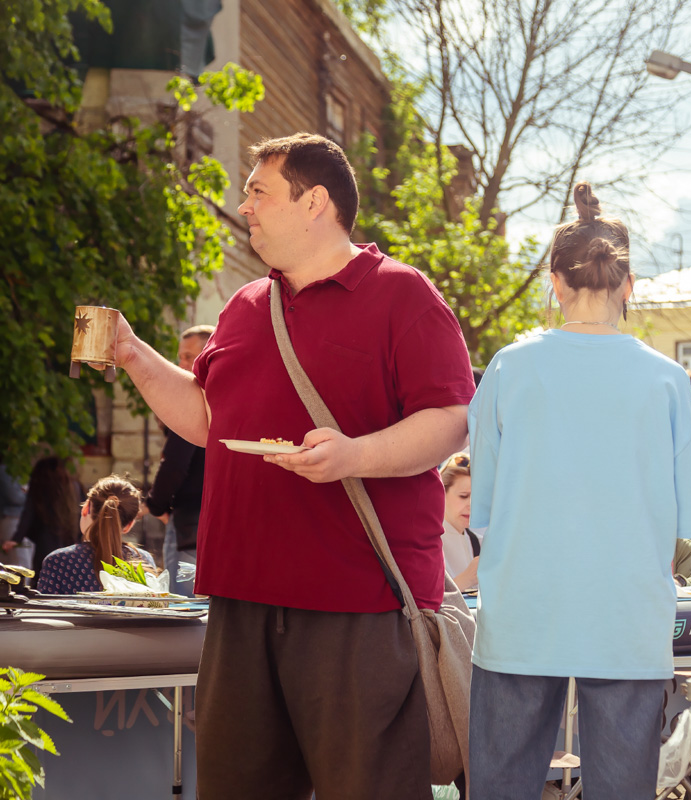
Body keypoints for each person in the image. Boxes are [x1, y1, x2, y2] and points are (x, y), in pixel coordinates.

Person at [107, 133, 475, 799]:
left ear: (314, 202)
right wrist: (134, 355)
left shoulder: (404, 295)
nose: (244, 206)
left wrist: (355, 455)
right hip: (241, 603)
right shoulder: (247, 305)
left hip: (360, 607)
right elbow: (208, 421)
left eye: (258, 192)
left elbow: (451, 420)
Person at [467, 182, 691, 800]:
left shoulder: (508, 367)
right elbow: (684, 523)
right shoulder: (670, 381)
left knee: (501, 790)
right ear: (629, 284)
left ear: (554, 281)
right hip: (626, 614)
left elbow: (482, 502)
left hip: (522, 609)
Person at [143, 324, 214, 595]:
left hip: (189, 527)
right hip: (219, 523)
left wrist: (156, 505)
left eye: (187, 356)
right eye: (180, 356)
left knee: (183, 614)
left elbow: (175, 463)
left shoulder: (193, 399)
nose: (180, 364)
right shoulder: (229, 396)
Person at [37, 475, 156, 595]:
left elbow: (44, 612)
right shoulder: (144, 561)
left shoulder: (58, 561)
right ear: (129, 525)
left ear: (86, 508)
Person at [3, 457, 83, 576]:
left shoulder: (39, 486)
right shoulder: (74, 486)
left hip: (45, 541)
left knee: (43, 577)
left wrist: (16, 538)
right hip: (70, 539)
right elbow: (83, 512)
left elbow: (28, 513)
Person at [440, 452, 479, 591]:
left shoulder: (480, 543)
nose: (471, 504)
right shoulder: (428, 544)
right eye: (464, 496)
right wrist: (466, 579)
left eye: (476, 497)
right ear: (441, 494)